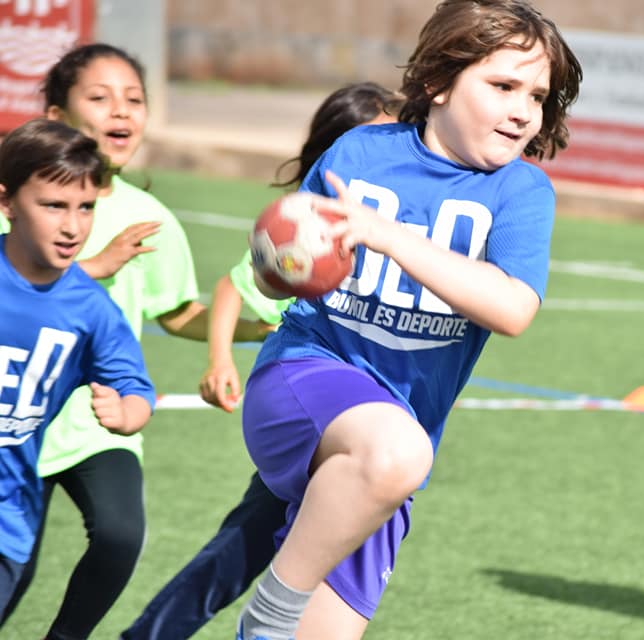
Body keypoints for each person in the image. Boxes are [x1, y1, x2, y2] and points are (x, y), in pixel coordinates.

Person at [235, 1, 582, 638]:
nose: (522, 111)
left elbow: (512, 308)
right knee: (399, 451)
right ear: (439, 82)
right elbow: (275, 275)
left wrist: (388, 236)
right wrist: (276, 263)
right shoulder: (360, 152)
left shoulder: (521, 192)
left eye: (537, 96)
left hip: (390, 460)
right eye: (503, 86)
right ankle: (273, 607)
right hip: (304, 377)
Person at [0, 43, 269, 639]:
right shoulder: (22, 199)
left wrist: (249, 333)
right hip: (22, 419)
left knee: (121, 534)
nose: (121, 110)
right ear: (57, 117)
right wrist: (96, 265)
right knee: (16, 566)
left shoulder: (151, 218)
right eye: (100, 98)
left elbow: (176, 312)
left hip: (94, 419)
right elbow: (24, 281)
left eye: (134, 99)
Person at [120, 81, 404, 640]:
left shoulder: (394, 229)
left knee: (297, 571)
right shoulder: (305, 233)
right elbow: (234, 286)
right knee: (239, 555)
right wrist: (220, 360)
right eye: (372, 140)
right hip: (315, 428)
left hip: (367, 433)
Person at [0, 118, 154, 617]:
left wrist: (126, 414)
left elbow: (136, 388)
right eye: (53, 206)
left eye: (85, 207)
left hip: (8, 520)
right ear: (7, 203)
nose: (73, 226)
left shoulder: (91, 310)